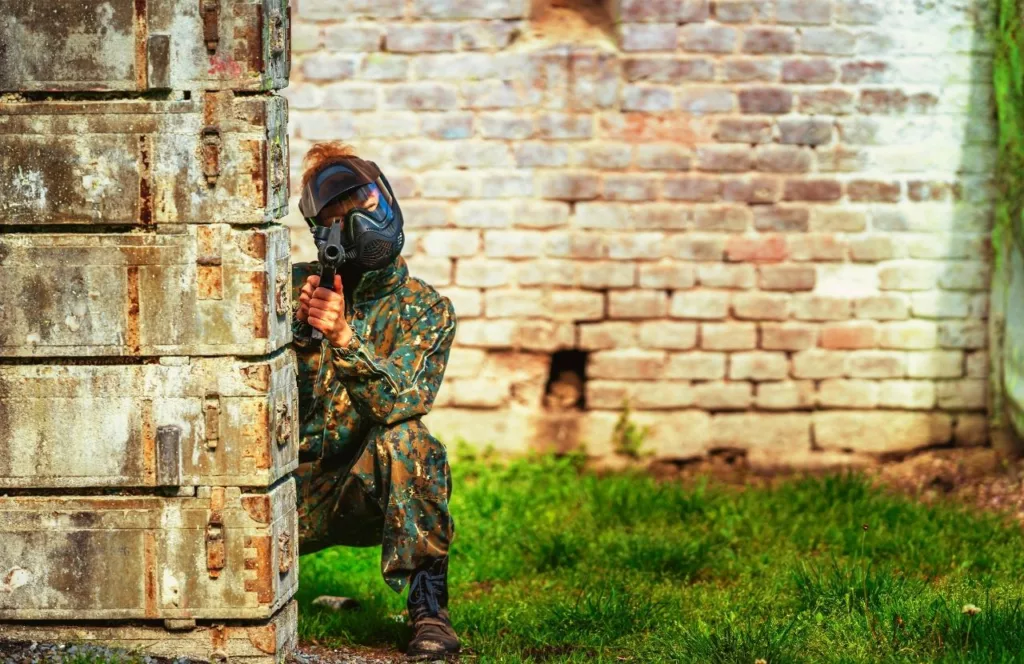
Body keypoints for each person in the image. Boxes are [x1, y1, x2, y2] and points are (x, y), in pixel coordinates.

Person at [290, 141, 460, 660]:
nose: (361, 227)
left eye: (363, 207)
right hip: (277, 496)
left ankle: (430, 612)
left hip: (353, 491)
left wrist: (342, 337)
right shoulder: (288, 290)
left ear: (384, 199)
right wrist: (292, 332)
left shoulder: (427, 310)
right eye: (341, 221)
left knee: (414, 441)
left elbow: (399, 404)